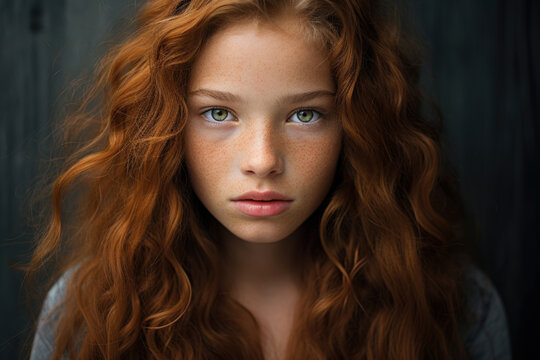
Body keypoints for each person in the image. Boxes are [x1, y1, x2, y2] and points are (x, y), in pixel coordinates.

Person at [26, 0, 511, 359]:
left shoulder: (455, 308)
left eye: (304, 115)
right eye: (219, 113)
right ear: (165, 124)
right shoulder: (88, 316)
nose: (262, 160)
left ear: (358, 125)